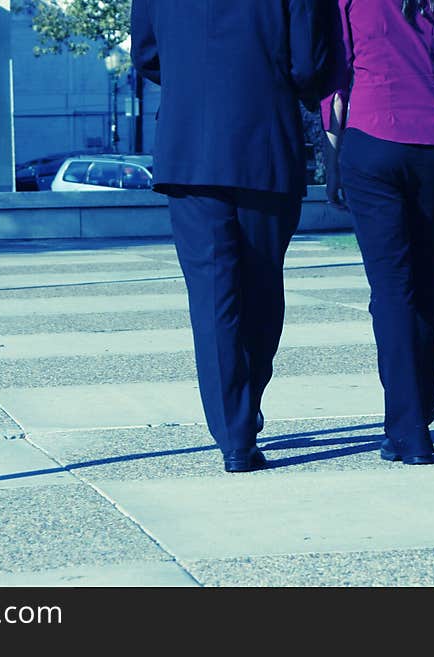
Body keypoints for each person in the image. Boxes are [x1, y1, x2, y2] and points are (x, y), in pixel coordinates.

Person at [130, 0, 331, 472]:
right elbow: (309, 64)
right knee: (262, 290)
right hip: (264, 144)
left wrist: (195, 80)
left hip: (188, 145)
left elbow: (146, 54)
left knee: (213, 298)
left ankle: (235, 434)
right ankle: (244, 406)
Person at [322, 0, 434, 465]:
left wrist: (332, 163)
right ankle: (420, 410)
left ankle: (408, 428)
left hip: (370, 141)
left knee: (392, 290)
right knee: (425, 283)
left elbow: (337, 88)